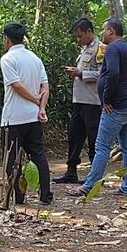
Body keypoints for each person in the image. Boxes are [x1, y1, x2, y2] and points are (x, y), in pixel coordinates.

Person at [68, 17, 127, 198]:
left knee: (101, 147)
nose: (102, 33)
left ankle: (89, 185)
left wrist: (107, 98)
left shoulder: (113, 49)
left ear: (111, 31)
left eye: (104, 29)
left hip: (116, 106)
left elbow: (113, 73)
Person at [0, 22, 53, 206]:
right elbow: (45, 87)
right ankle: (45, 195)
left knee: (12, 158)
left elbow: (16, 85)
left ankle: (18, 196)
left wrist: (36, 101)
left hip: (13, 117)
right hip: (33, 117)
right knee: (38, 155)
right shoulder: (35, 59)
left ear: (6, 39)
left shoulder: (7, 59)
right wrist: (41, 107)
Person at [54, 18, 103, 184]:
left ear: (89, 31)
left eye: (80, 36)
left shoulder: (101, 49)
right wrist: (74, 73)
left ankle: (95, 176)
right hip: (79, 100)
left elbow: (103, 75)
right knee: (74, 135)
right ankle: (71, 171)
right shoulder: (84, 50)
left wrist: (81, 73)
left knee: (93, 138)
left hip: (93, 101)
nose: (79, 39)